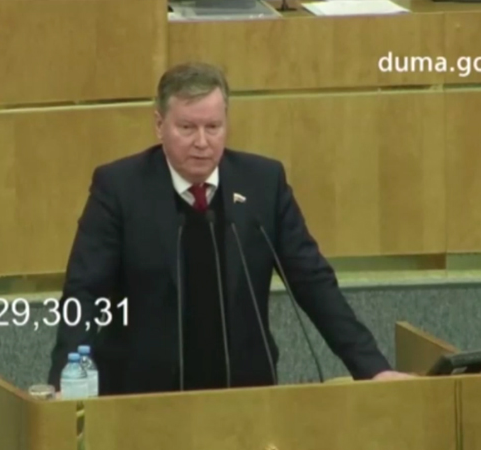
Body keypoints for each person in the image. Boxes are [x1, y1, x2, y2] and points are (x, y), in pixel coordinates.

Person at [48, 61, 412, 395]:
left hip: (245, 392)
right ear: (159, 125)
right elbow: (84, 293)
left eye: (213, 127)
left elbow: (313, 282)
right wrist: (66, 380)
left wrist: (373, 369)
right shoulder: (120, 189)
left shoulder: (263, 184)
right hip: (144, 395)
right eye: (187, 128)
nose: (202, 142)